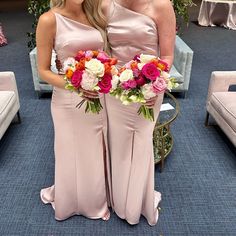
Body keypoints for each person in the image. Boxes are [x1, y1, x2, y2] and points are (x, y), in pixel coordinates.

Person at [36, 0, 111, 221]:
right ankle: (71, 201)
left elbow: (104, 54)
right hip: (68, 99)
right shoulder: (49, 20)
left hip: (98, 95)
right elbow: (43, 71)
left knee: (95, 148)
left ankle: (95, 199)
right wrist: (76, 85)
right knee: (70, 150)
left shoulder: (95, 13)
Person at [105, 0, 176, 225]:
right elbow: (104, 49)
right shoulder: (106, 5)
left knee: (141, 140)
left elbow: (166, 56)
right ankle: (118, 197)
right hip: (115, 88)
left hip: (148, 89)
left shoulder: (162, 5)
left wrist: (155, 84)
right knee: (118, 142)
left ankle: (136, 203)